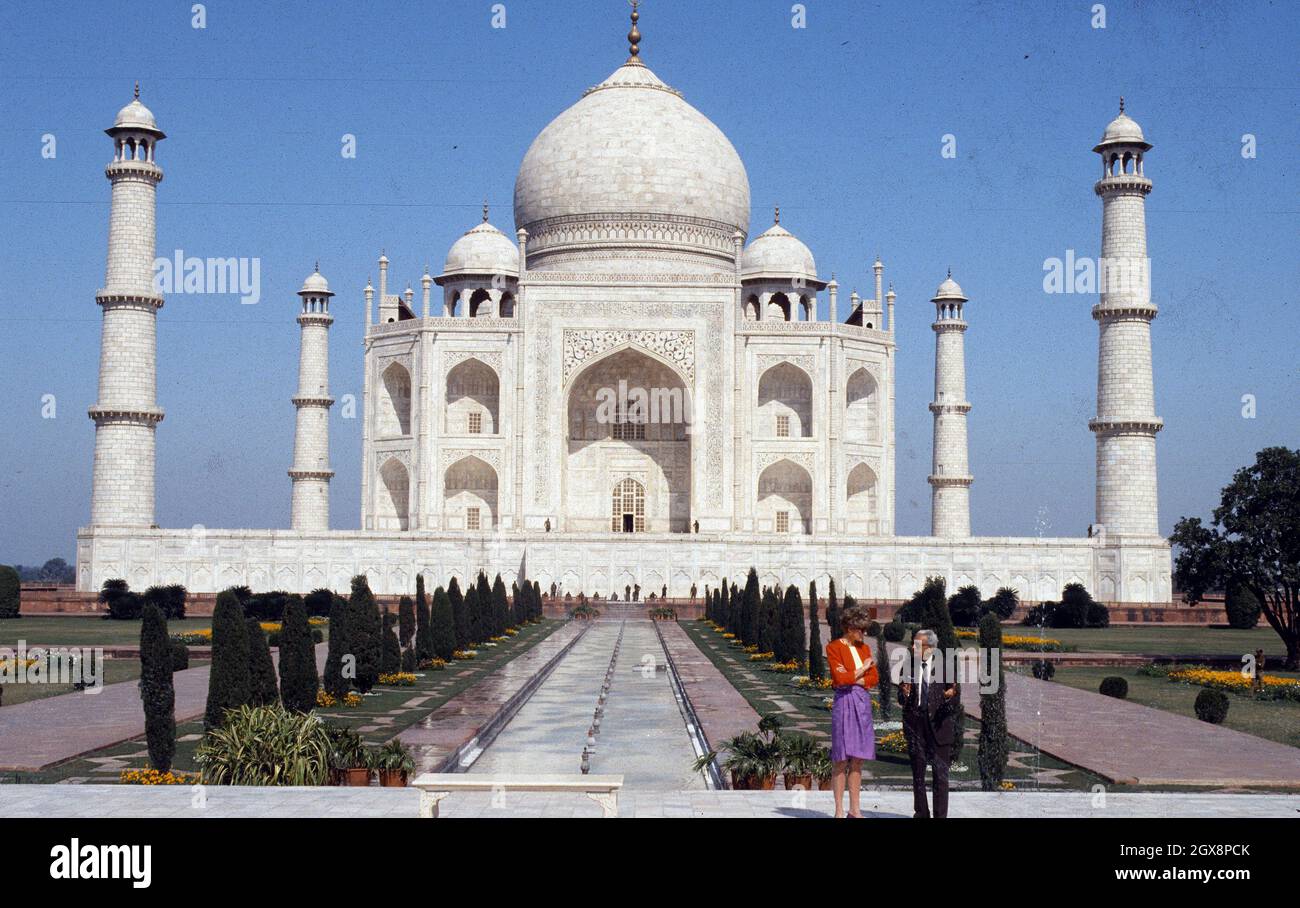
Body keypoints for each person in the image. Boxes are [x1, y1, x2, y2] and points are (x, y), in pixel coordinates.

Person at [898, 629, 960, 818]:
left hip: (939, 726)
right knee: (918, 773)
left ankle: (940, 816)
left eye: (917, 645)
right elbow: (901, 698)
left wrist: (949, 697)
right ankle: (921, 813)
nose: (912, 647)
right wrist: (905, 694)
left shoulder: (946, 666)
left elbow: (956, 698)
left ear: (930, 648)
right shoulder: (908, 666)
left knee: (940, 776)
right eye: (912, 644)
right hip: (915, 725)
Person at [825, 605, 879, 818]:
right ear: (849, 627)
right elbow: (839, 679)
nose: (863, 634)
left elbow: (874, 679)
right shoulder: (834, 647)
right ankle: (839, 810)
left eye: (864, 630)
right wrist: (863, 669)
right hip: (844, 702)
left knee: (858, 758)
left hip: (861, 702)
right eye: (860, 630)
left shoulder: (863, 648)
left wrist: (857, 676)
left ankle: (854, 810)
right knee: (841, 758)